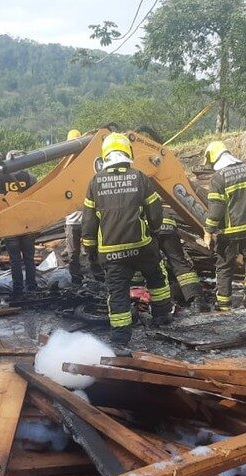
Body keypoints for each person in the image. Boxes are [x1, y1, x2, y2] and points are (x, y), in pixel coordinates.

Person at [82, 133, 172, 346]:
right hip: (141, 246)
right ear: (127, 152)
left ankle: (121, 337)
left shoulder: (95, 182)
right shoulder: (140, 177)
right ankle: (162, 316)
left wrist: (90, 249)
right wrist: (155, 232)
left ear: (105, 155)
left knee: (117, 293)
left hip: (111, 252)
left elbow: (89, 222)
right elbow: (155, 212)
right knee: (157, 278)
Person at [203, 140, 246, 311]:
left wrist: (208, 231)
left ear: (213, 158)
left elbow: (216, 208)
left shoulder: (218, 178)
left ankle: (224, 306)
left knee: (224, 267)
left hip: (228, 232)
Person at [0, 150, 39, 298]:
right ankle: (32, 287)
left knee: (15, 260)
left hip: (10, 224)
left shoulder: (0, 177)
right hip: (27, 224)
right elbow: (39, 191)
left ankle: (18, 289)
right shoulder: (30, 177)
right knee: (29, 259)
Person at [155, 206, 205, 312]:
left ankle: (159, 305)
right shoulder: (145, 191)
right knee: (179, 263)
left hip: (150, 225)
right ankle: (196, 299)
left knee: (150, 265)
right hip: (168, 224)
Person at [63, 129, 86, 287]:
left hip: (84, 219)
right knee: (73, 253)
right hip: (76, 219)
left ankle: (92, 277)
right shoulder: (65, 166)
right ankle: (76, 279)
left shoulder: (85, 164)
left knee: (83, 252)